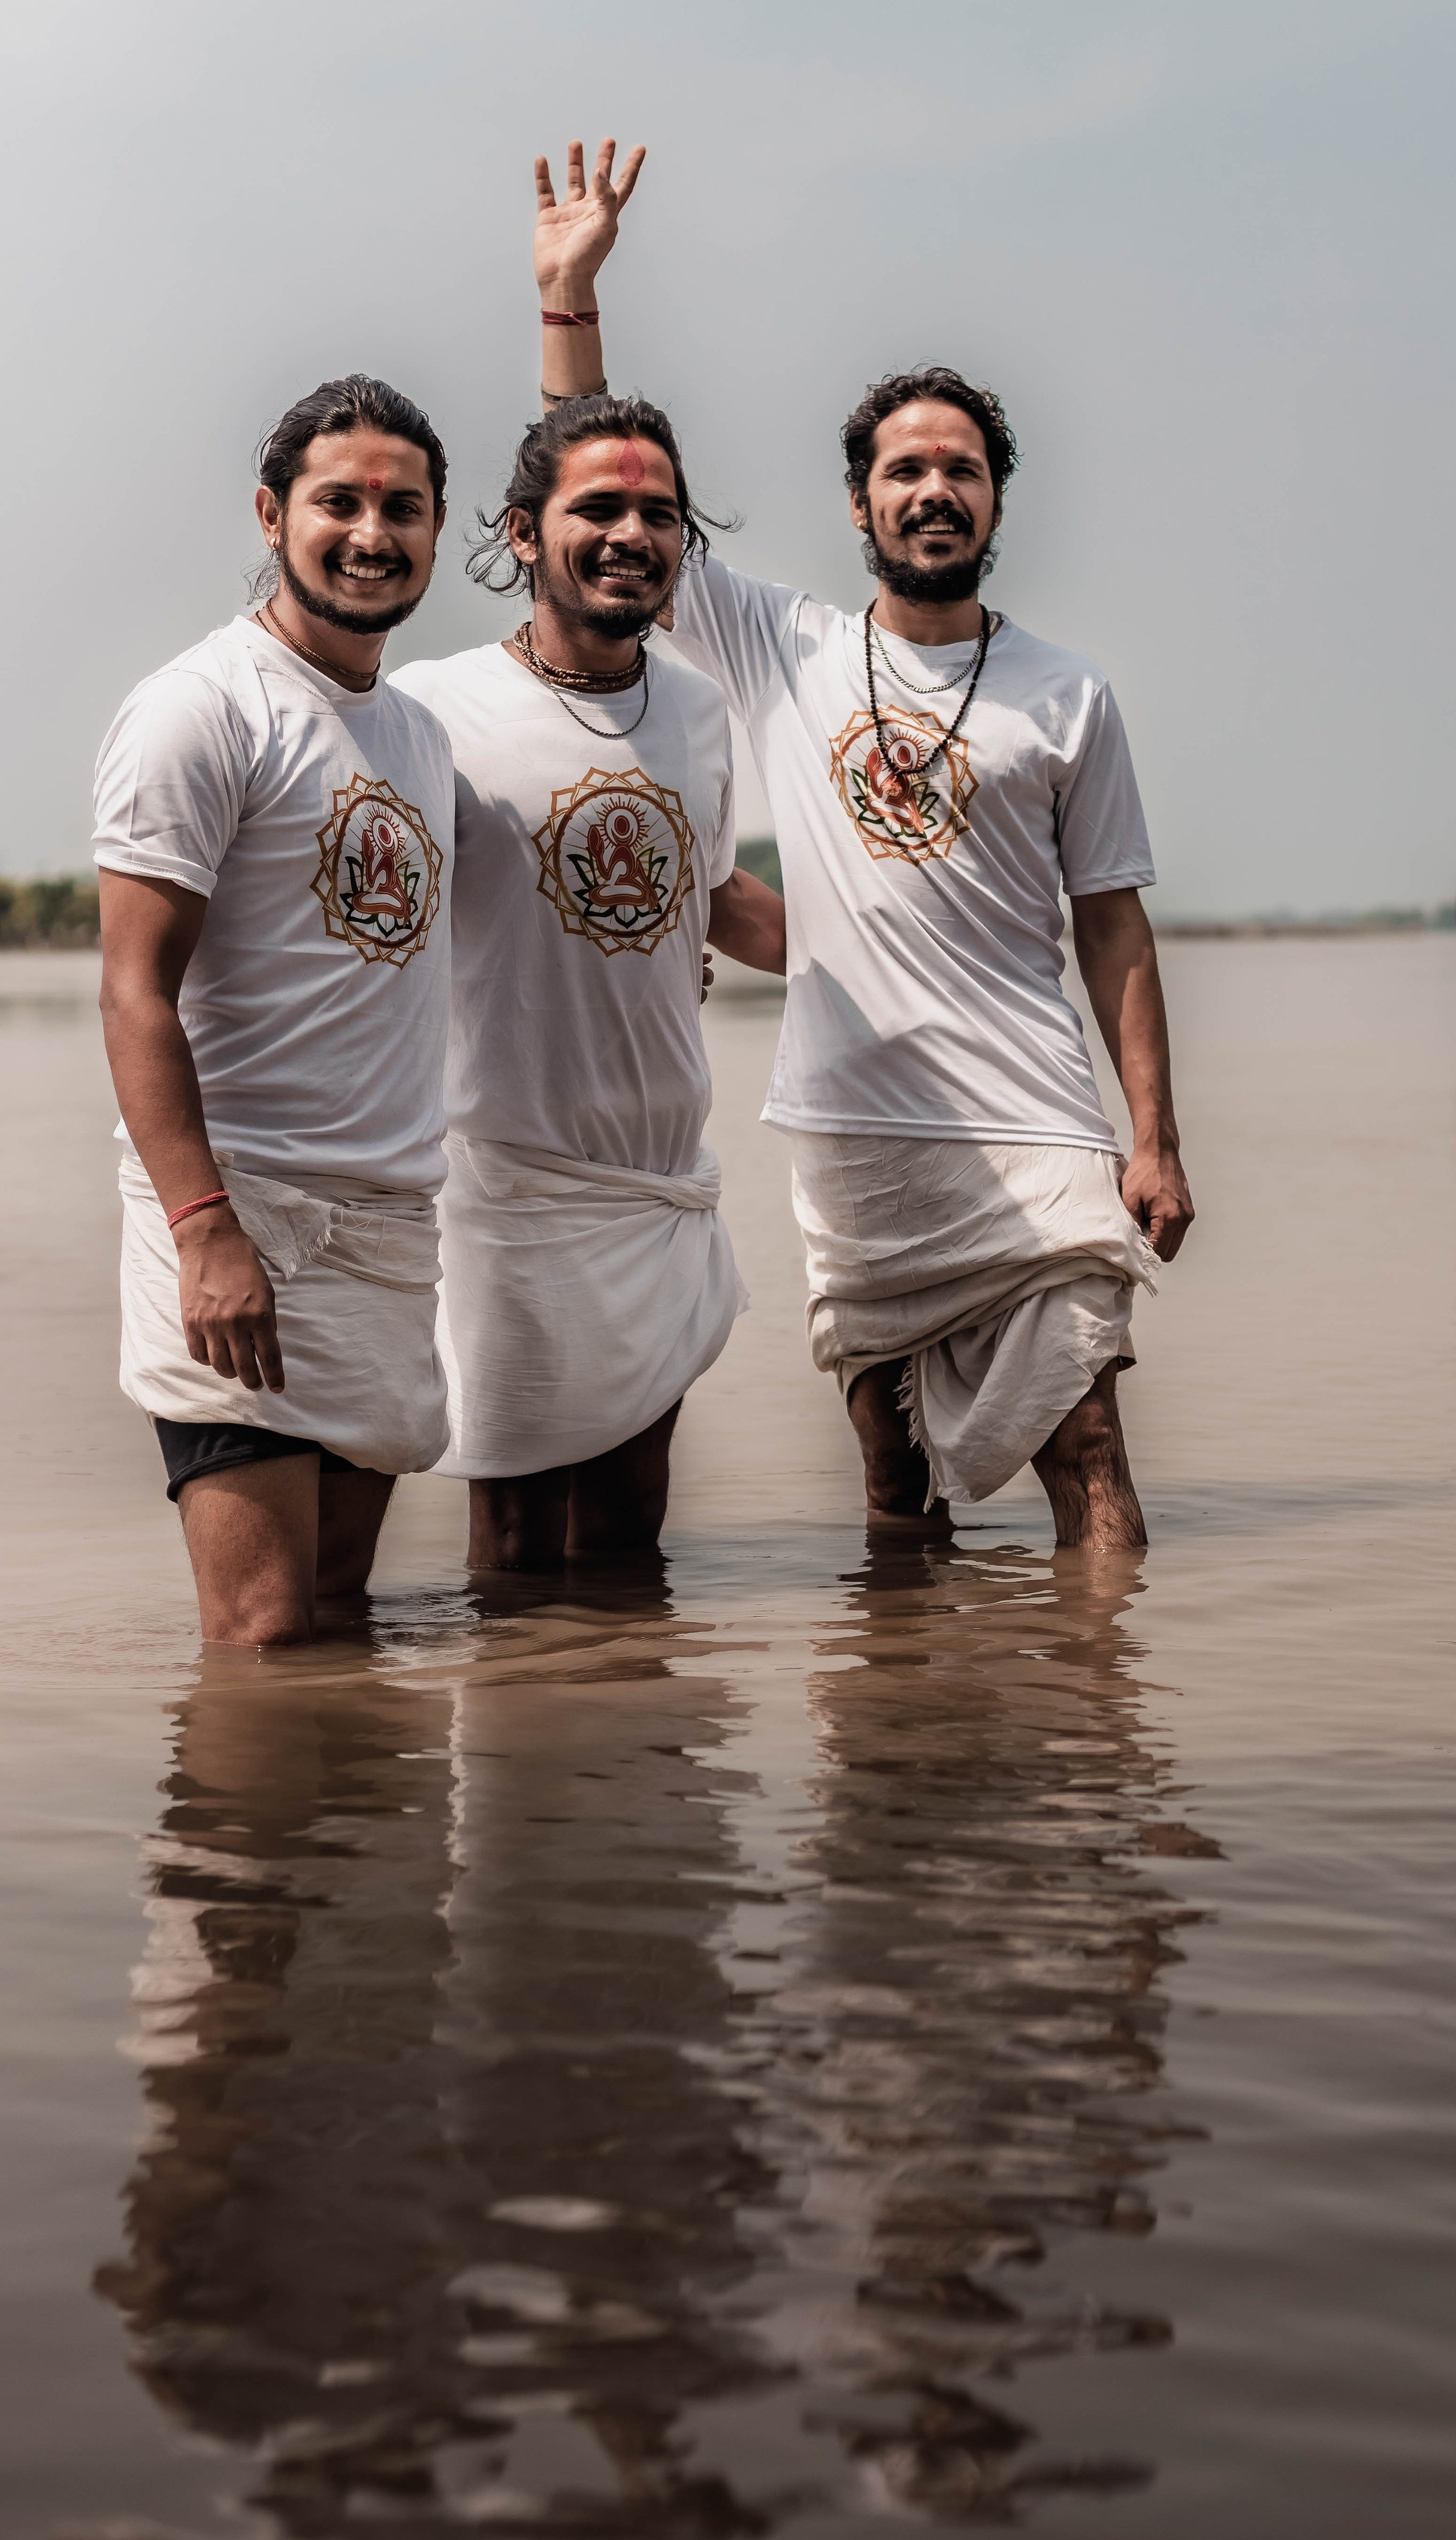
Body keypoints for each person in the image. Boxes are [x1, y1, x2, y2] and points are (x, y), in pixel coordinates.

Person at [536, 141, 1193, 1550]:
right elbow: (596, 472)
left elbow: (1115, 927)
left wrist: (1155, 1137)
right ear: (861, 505)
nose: (934, 491)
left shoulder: (1070, 693)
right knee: (894, 1499)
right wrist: (570, 294)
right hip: (856, 1132)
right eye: (905, 470)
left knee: (1093, 1459)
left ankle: (1104, 1751)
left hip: (1038, 1124)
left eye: (961, 469)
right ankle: (898, 1755)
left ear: (997, 503)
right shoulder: (785, 647)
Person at [392, 144, 785, 1570]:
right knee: (513, 1550)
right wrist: (565, 300)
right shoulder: (433, 709)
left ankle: (631, 1789)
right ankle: (519, 1792)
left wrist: (898, 939)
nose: (630, 534)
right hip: (500, 1188)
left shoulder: (694, 705)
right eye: (598, 515)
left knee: (631, 1547)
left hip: (658, 1185)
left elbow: (716, 901)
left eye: (658, 515)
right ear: (520, 537)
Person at [95, 378, 458, 1648]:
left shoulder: (417, 735)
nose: (371, 532)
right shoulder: (201, 708)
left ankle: (349, 1852)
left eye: (401, 507)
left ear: (437, 524)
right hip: (239, 1223)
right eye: (338, 501)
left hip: (385, 1227)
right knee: (258, 1639)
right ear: (272, 513)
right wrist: (205, 1229)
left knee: (341, 1622)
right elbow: (135, 990)